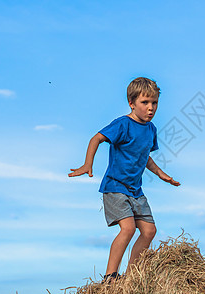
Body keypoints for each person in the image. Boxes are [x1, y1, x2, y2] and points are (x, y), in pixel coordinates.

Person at [68, 77, 180, 282]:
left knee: (149, 230)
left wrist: (160, 173)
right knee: (128, 229)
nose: (151, 108)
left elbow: (144, 155)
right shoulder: (122, 124)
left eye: (154, 102)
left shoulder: (151, 129)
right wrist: (87, 164)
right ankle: (110, 276)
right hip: (115, 187)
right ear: (132, 103)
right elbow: (97, 138)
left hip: (136, 191)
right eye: (145, 103)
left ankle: (131, 278)